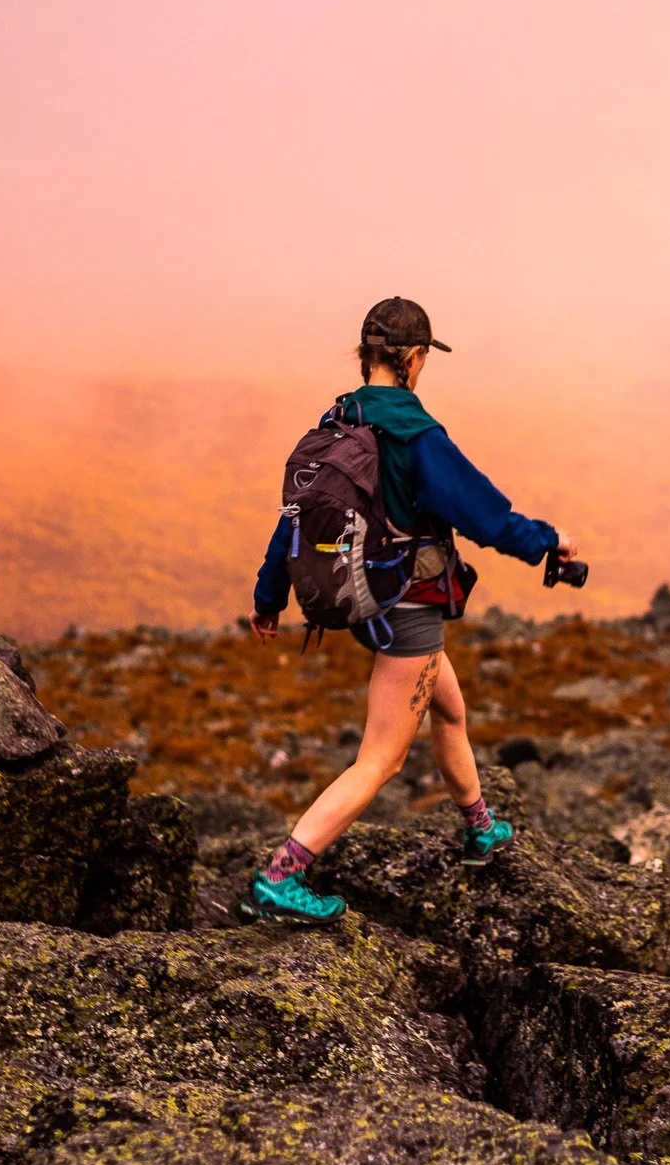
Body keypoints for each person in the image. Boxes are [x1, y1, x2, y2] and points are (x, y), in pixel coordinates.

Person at [246, 296, 575, 924]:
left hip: (363, 596)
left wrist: (269, 596)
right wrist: (547, 542)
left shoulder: (337, 422)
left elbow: (294, 519)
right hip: (406, 604)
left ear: (365, 354)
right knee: (383, 757)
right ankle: (281, 875)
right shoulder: (414, 434)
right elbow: (483, 514)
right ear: (416, 357)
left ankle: (480, 829)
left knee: (449, 708)